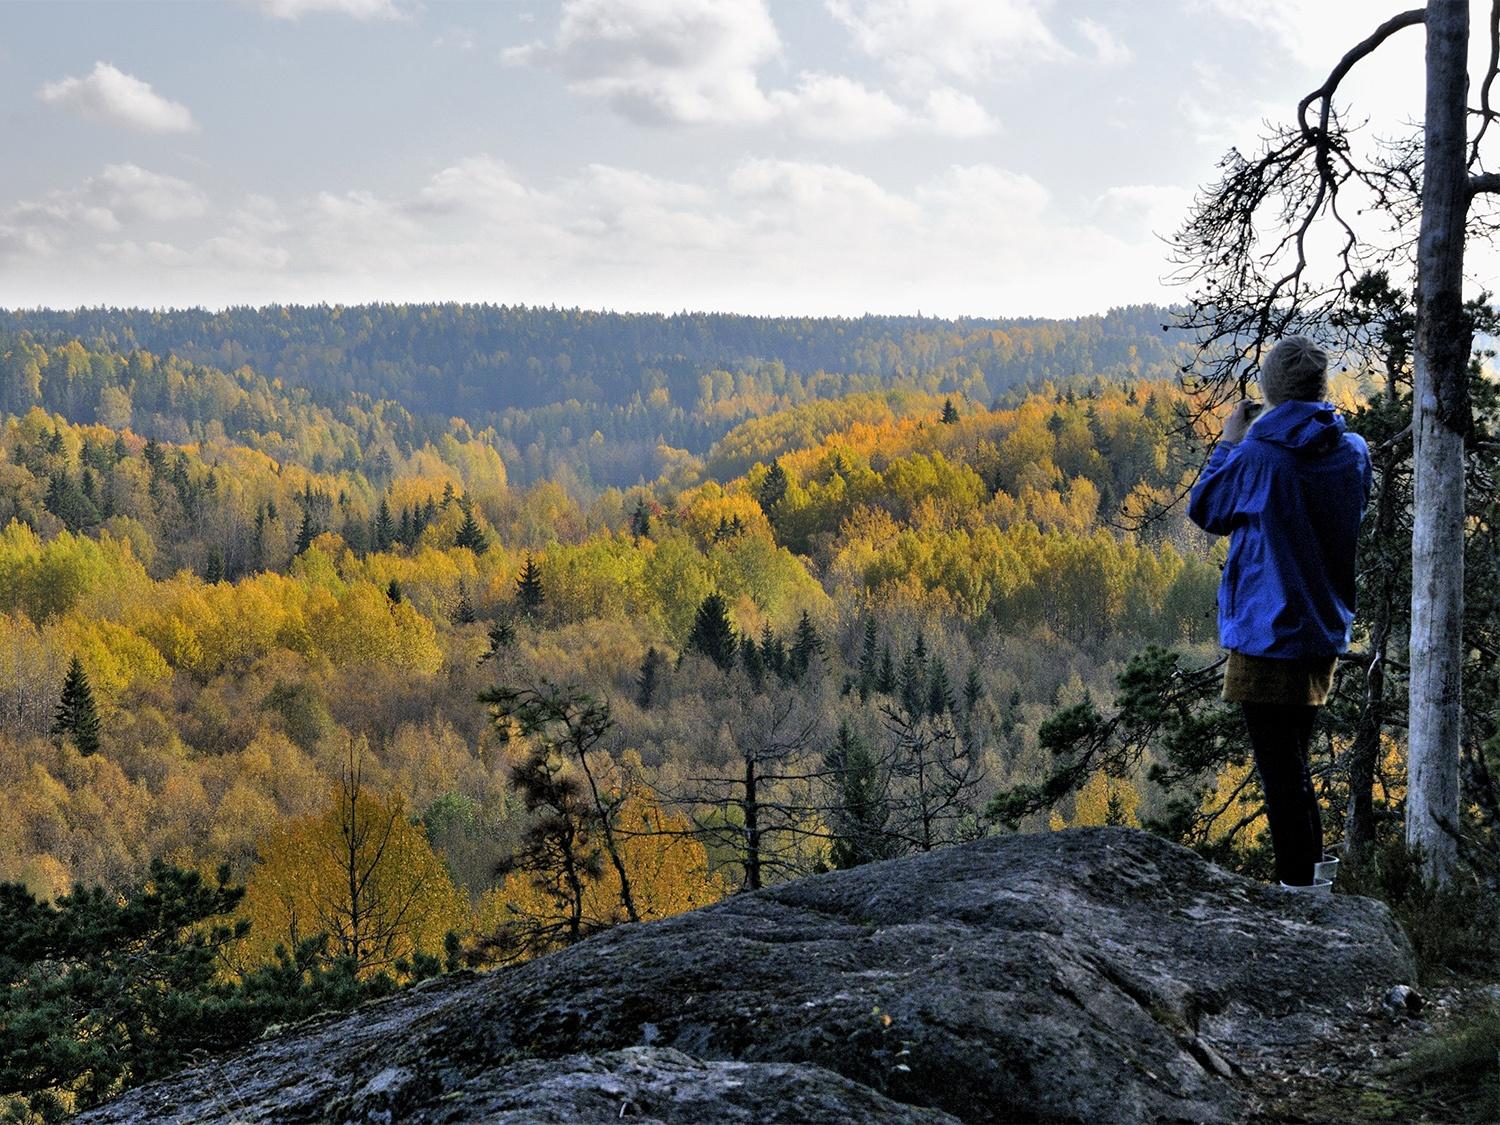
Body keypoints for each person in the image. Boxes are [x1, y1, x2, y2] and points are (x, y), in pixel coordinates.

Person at [1187, 336, 1372, 889]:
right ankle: (1312, 882)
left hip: (1268, 632)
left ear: (1272, 390)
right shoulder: (1352, 450)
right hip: (1322, 626)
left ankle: (1299, 889)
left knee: (1281, 772)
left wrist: (1228, 442)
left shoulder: (1258, 456)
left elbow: (1207, 509)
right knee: (1295, 763)